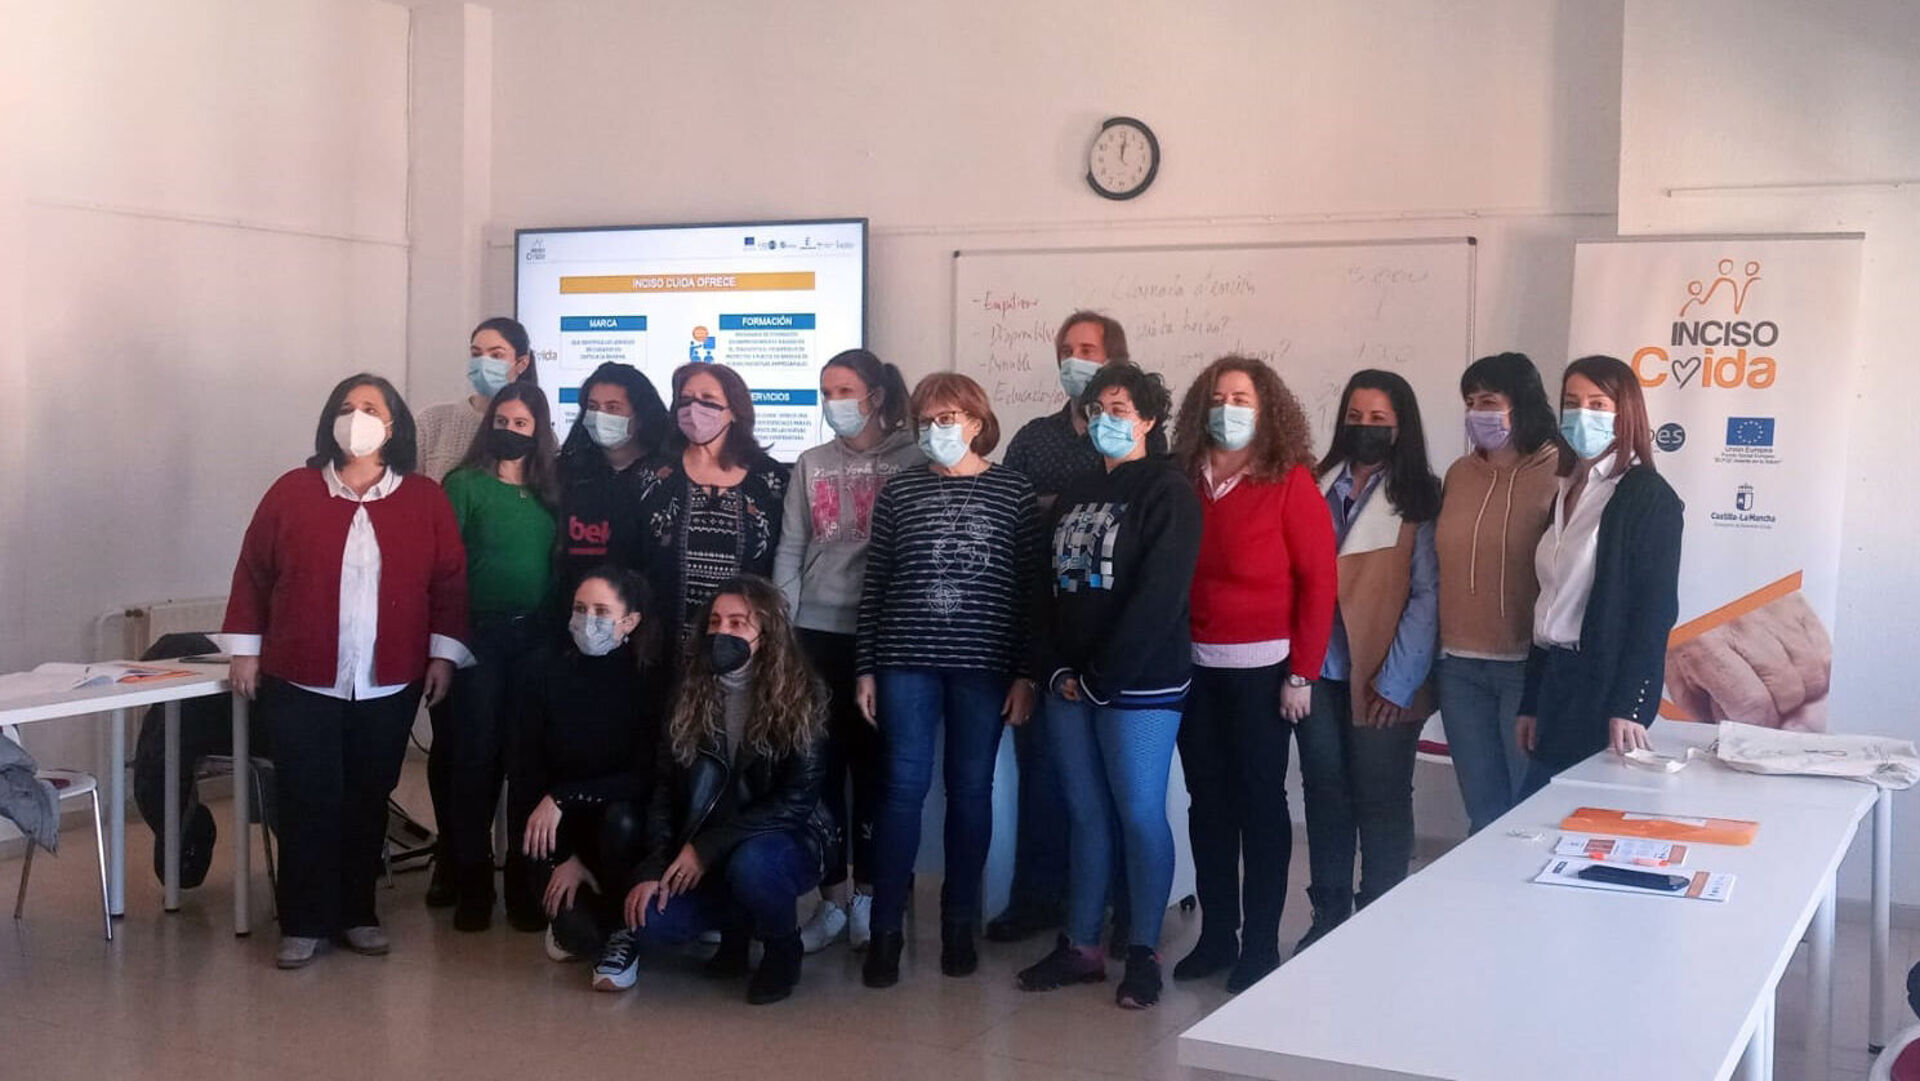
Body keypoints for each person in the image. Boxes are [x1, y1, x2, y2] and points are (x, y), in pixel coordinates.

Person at [220, 373, 470, 969]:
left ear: (394, 425)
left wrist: (443, 654)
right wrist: (245, 650)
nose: (356, 416)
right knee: (307, 796)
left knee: (367, 797)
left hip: (389, 679)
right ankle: (303, 920)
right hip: (301, 678)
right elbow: (254, 572)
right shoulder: (292, 492)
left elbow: (449, 583)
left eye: (370, 407)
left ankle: (358, 911)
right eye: (346, 406)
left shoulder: (424, 499)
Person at [1015, 362, 1201, 1011]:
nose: (1106, 419)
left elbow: (1159, 595)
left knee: (1139, 814)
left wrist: (1100, 677)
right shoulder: (1072, 490)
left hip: (1139, 684)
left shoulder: (1169, 488)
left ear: (1149, 417)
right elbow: (1046, 585)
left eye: (1120, 408)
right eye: (1097, 409)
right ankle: (1082, 945)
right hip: (1070, 683)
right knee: (1086, 814)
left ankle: (1143, 950)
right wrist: (1057, 668)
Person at [855, 372, 1039, 989]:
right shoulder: (900, 491)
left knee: (970, 793)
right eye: (928, 419)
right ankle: (885, 929)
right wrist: (865, 668)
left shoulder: (1013, 491)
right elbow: (875, 585)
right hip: (905, 661)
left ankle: (959, 922)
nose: (939, 429)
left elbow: (1030, 591)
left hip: (984, 669)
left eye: (951, 416)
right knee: (902, 793)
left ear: (978, 420)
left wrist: (1025, 673)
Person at [992, 310, 1163, 946]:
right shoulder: (1035, 438)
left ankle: (1122, 913)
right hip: (1049, 629)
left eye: (1087, 349)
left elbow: (1144, 537)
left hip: (1122, 650)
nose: (1074, 358)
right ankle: (1038, 900)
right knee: (1044, 779)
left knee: (1119, 793)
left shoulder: (1152, 452)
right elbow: (1016, 517)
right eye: (1065, 349)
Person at [1166, 356, 1336, 992]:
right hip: (1191, 670)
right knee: (1206, 805)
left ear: (1266, 409)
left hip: (1265, 675)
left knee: (1260, 806)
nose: (1226, 407)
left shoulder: (1290, 481)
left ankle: (1260, 943)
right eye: (1216, 396)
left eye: (1240, 397)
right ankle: (1217, 935)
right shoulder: (1184, 477)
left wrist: (1303, 674)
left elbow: (1319, 583)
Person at [615, 576, 832, 1006]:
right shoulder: (687, 692)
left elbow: (798, 799)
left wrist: (707, 848)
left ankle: (781, 948)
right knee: (652, 921)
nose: (722, 632)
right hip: (709, 848)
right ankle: (736, 930)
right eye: (715, 621)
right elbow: (664, 789)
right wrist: (654, 866)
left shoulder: (804, 694)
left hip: (785, 842)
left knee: (752, 864)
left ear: (766, 633)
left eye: (738, 623)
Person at [773, 349, 923, 953]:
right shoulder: (810, 463)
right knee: (820, 770)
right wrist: (784, 630)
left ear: (876, 396)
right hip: (815, 635)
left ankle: (870, 898)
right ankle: (832, 900)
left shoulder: (915, 457)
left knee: (880, 774)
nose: (833, 401)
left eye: (844, 390)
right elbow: (790, 548)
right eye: (825, 390)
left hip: (885, 638)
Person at [1295, 369, 1440, 954]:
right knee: (1324, 794)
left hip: (1385, 676)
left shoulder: (1420, 496)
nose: (1365, 428)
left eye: (1379, 419)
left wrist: (1398, 681)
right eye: (1356, 416)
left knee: (1381, 799)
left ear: (1401, 426)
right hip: (1318, 673)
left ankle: (1379, 919)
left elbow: (1428, 594)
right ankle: (1328, 915)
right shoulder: (1312, 483)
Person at [1516, 356, 1682, 794]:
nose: (1582, 414)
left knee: (1582, 821)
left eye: (1597, 403)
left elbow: (1655, 611)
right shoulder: (1566, 488)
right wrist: (1531, 701)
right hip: (1556, 683)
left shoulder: (1647, 497)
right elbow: (1549, 603)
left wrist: (1631, 704)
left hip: (1603, 689)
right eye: (1571, 403)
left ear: (1625, 412)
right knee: (1539, 813)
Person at [436, 382, 562, 931]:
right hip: (478, 639)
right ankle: (472, 886)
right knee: (475, 764)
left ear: (539, 433)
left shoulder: (551, 492)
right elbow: (441, 571)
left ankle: (525, 888)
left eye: (522, 423)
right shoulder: (462, 485)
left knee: (528, 764)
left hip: (536, 640)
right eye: (502, 421)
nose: (510, 431)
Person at [511, 567, 666, 986]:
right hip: (555, 835)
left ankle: (623, 926)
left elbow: (644, 777)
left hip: (615, 829)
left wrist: (564, 796)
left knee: (623, 819)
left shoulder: (648, 682)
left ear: (630, 622)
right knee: (578, 939)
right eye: (580, 609)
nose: (587, 620)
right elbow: (524, 773)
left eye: (601, 611)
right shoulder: (541, 673)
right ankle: (588, 913)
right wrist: (563, 857)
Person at [1434, 353, 1562, 834]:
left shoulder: (1559, 470)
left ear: (1522, 403)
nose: (1477, 413)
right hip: (1458, 667)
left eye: (1489, 400)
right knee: (1482, 811)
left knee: (1527, 813)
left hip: (1524, 670)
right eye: (1470, 402)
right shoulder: (1459, 474)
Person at [634, 363, 790, 645]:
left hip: (745, 642)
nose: (694, 409)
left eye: (708, 400)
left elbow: (783, 558)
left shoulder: (771, 479)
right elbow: (636, 556)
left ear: (734, 411)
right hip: (663, 639)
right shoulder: (652, 474)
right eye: (685, 399)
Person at [554, 361, 672, 608]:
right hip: (574, 613)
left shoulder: (667, 476)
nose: (600, 416)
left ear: (640, 416)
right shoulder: (565, 472)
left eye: (613, 408)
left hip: (645, 617)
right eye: (593, 407)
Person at [416, 317, 541, 483]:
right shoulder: (432, 421)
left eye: (496, 355)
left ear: (521, 363)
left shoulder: (537, 428)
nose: (483, 363)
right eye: (476, 354)